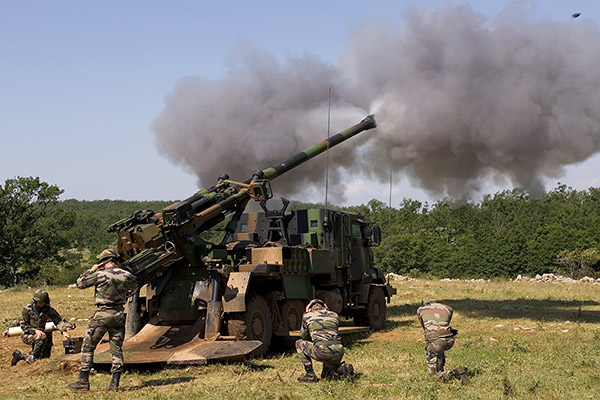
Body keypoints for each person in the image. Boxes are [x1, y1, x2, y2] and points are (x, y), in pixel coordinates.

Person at [68, 248, 137, 392]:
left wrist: (92, 270)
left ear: (103, 262)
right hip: (119, 314)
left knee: (88, 346)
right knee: (116, 349)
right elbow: (133, 288)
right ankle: (114, 384)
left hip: (102, 314)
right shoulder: (127, 275)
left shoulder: (99, 274)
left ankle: (83, 381)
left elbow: (80, 283)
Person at [295, 298, 355, 383]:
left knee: (299, 343)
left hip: (321, 351)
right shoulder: (334, 315)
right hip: (338, 351)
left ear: (309, 308)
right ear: (326, 306)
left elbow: (303, 336)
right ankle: (343, 369)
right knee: (326, 376)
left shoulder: (307, 315)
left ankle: (310, 375)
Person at [11, 289, 71, 366]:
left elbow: (58, 321)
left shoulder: (48, 309)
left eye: (43, 302)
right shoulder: (27, 310)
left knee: (45, 357)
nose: (41, 304)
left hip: (43, 333)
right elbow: (23, 325)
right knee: (40, 341)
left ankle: (27, 356)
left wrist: (64, 331)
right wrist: (35, 331)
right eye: (39, 302)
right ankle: (27, 357)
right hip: (28, 334)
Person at [417, 301, 469, 382]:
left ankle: (454, 373)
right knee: (439, 350)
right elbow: (445, 323)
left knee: (433, 376)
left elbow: (426, 329)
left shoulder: (420, 310)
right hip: (449, 339)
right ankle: (441, 370)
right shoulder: (448, 308)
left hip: (436, 341)